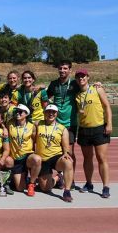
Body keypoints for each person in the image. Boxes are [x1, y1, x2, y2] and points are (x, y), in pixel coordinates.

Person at [75, 69, 113, 198]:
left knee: (101, 158)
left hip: (98, 128)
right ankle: (89, 183)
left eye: (83, 76)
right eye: (78, 77)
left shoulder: (97, 89)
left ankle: (106, 186)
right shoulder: (76, 94)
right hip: (84, 129)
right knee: (87, 158)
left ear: (88, 77)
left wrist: (109, 124)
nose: (81, 78)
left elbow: (107, 106)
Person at [45, 60, 81, 191]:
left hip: (70, 123)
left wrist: (97, 85)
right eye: (60, 68)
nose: (62, 71)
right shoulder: (54, 84)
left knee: (69, 152)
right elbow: (45, 97)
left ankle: (71, 179)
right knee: (56, 151)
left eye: (65, 68)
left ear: (70, 70)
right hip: (55, 123)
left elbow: (86, 88)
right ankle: (60, 177)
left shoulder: (75, 84)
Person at [36, 104, 75, 202]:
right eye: (48, 112)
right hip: (42, 159)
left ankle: (67, 191)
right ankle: (58, 178)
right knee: (45, 188)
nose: (51, 114)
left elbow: (66, 145)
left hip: (55, 157)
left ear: (56, 114)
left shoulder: (62, 128)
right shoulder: (38, 124)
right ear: (45, 113)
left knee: (68, 162)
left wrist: (66, 153)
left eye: (53, 112)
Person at [7, 104, 41, 196]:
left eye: (20, 112)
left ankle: (31, 184)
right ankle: (22, 177)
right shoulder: (10, 123)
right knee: (20, 188)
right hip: (16, 158)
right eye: (16, 111)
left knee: (37, 159)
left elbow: (34, 141)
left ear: (26, 114)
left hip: (27, 156)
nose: (17, 113)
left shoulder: (32, 126)